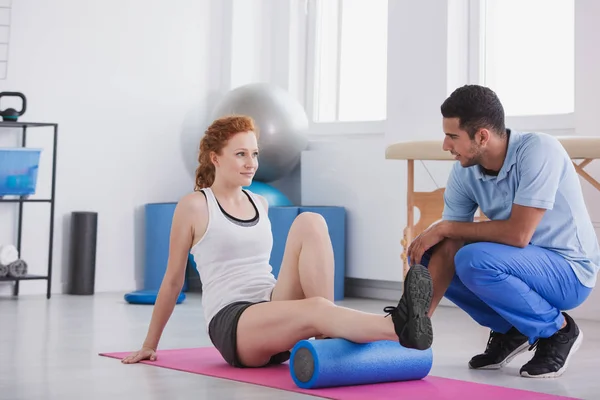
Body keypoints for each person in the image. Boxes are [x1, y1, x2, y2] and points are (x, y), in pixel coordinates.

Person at [121, 114, 434, 368]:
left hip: (273, 303)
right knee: (313, 309)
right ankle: (396, 327)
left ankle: (328, 334)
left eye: (254, 154)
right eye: (240, 154)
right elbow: (173, 280)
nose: (251, 162)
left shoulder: (260, 202)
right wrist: (149, 345)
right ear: (215, 158)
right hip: (234, 321)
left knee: (311, 221)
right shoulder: (194, 206)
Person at [406, 84, 600, 378]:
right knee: (426, 254)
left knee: (473, 258)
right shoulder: (464, 170)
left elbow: (519, 234)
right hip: (520, 264)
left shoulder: (539, 150)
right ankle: (511, 330)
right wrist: (416, 323)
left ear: (482, 136)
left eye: (453, 136)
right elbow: (448, 244)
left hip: (570, 272)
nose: (446, 146)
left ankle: (558, 330)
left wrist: (444, 226)